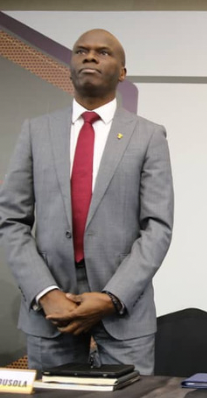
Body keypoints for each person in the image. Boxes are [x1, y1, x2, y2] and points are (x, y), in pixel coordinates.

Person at [0, 29, 174, 374]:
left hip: (124, 310)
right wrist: (45, 292)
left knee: (129, 396)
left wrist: (112, 297)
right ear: (70, 66)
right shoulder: (36, 131)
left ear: (122, 73)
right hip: (50, 310)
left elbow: (158, 227)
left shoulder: (149, 136)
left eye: (103, 52)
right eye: (81, 51)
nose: (90, 56)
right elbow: (11, 220)